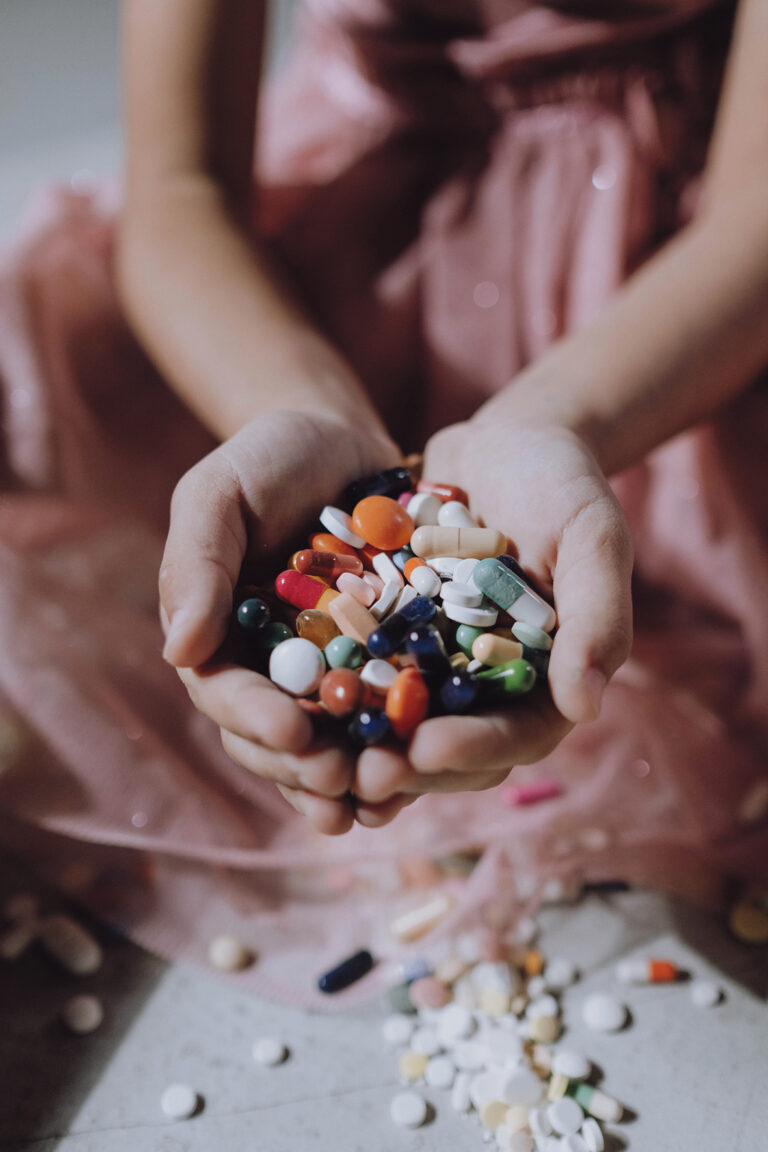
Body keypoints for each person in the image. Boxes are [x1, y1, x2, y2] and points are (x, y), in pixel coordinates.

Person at [0, 0, 766, 1000]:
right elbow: (180, 188)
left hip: (664, 312)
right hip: (323, 278)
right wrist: (297, 408)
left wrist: (555, 422)